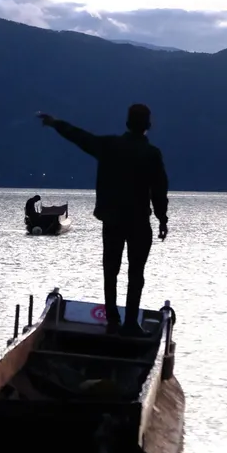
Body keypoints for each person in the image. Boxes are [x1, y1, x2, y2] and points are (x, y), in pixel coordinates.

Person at [37, 104, 168, 336]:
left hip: (113, 220)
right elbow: (159, 191)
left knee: (111, 270)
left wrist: (55, 123)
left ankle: (112, 321)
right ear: (148, 126)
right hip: (139, 222)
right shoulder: (152, 154)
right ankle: (130, 324)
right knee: (136, 274)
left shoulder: (109, 146)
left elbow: (79, 136)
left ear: (127, 124)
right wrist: (162, 219)